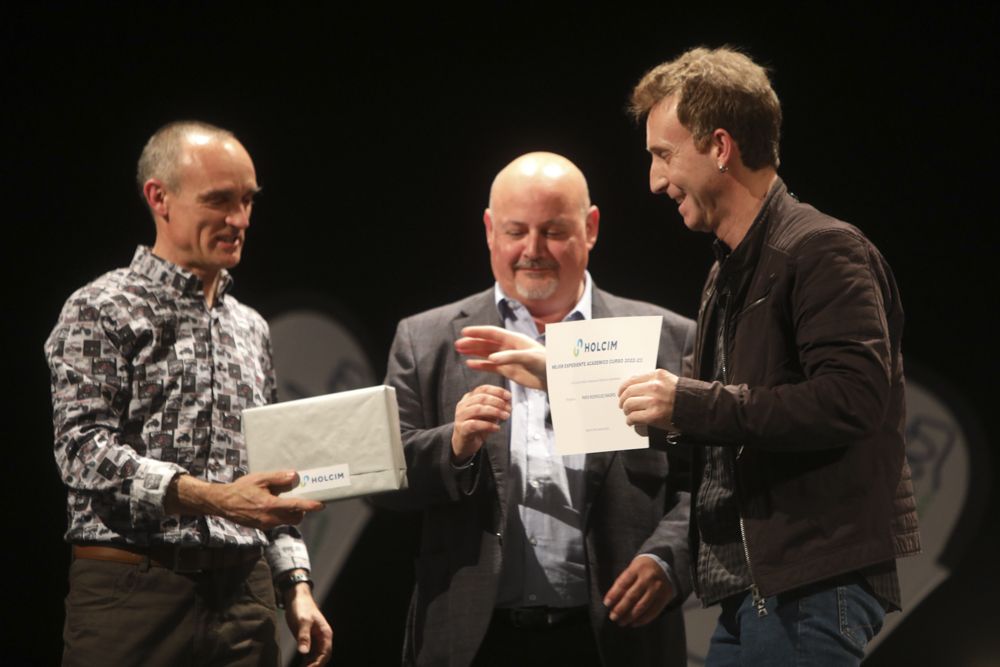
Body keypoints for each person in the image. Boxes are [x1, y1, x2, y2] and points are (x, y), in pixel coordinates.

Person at [465, 47, 922, 666]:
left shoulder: (821, 251)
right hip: (757, 591)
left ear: (720, 147)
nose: (655, 180)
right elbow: (704, 432)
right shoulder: (728, 273)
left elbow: (851, 401)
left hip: (811, 583)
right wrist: (560, 376)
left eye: (663, 154)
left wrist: (690, 401)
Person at [384, 152, 695, 667]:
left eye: (553, 230)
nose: (532, 250)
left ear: (590, 227)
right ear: (488, 230)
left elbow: (707, 481)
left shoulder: (667, 338)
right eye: (515, 231)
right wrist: (454, 446)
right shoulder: (425, 339)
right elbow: (385, 482)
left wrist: (670, 559)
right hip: (474, 641)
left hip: (616, 639)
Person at [45, 120, 333, 667]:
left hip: (242, 599)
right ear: (160, 198)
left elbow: (267, 470)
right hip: (132, 593)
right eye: (220, 200)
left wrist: (294, 582)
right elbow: (81, 451)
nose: (240, 220)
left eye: (248, 200)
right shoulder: (101, 307)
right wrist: (217, 498)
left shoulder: (252, 327)